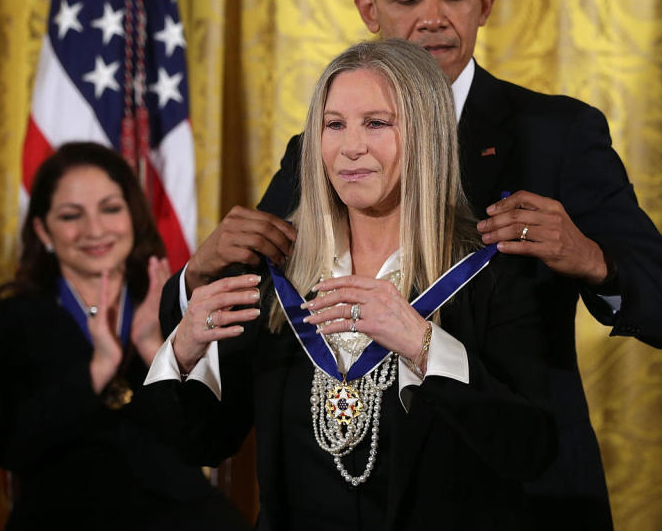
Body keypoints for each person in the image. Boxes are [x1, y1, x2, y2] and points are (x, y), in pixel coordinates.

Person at [170, 0, 662, 527]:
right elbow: (255, 323)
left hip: (519, 494)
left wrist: (593, 259)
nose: (433, 17)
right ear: (369, 11)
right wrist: (194, 280)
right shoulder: (322, 150)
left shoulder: (557, 135)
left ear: (485, 1)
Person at [144, 39, 557, 528]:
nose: (350, 146)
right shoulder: (276, 280)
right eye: (334, 124)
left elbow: (531, 452)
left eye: (376, 123)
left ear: (427, 135)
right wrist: (184, 349)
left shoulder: (495, 274)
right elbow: (202, 444)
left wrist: (422, 344)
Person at [0, 142, 248, 531]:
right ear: (43, 230)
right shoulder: (14, 319)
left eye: (110, 209)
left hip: (177, 515)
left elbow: (208, 443)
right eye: (71, 215)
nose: (95, 230)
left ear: (133, 218)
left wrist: (157, 348)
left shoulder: (174, 305)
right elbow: (14, 445)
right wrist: (99, 367)